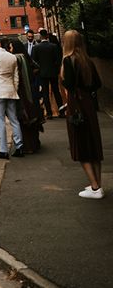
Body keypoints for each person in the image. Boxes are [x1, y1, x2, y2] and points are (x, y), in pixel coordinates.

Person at [60, 30, 104, 199]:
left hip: (76, 105)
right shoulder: (87, 60)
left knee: (81, 145)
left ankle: (94, 187)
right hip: (89, 105)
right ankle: (98, 184)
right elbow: (97, 84)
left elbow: (69, 85)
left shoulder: (68, 60)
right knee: (93, 144)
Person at [9, 39, 43, 154]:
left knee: (23, 117)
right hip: (32, 91)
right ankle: (35, 143)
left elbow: (16, 76)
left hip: (23, 93)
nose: (10, 49)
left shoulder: (17, 58)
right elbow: (37, 67)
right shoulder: (26, 57)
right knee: (32, 116)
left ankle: (28, 146)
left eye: (11, 47)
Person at [34, 28, 64, 118]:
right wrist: (56, 70)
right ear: (47, 36)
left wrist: (39, 70)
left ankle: (49, 113)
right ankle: (61, 111)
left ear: (40, 36)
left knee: (45, 93)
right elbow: (58, 60)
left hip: (42, 73)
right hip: (53, 73)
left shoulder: (36, 47)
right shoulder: (54, 46)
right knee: (56, 92)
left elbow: (34, 61)